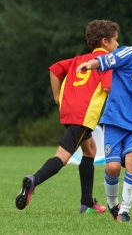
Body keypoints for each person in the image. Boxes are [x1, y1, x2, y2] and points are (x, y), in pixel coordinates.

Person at [15, 19, 120, 214]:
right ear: (105, 42)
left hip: (69, 111)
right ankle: (33, 180)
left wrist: (57, 97)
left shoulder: (78, 59)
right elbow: (108, 87)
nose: (118, 45)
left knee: (90, 150)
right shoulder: (106, 63)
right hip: (83, 115)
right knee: (62, 156)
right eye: (116, 41)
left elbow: (55, 69)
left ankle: (87, 203)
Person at [76, 10, 132, 222]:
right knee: (113, 167)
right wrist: (88, 65)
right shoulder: (130, 53)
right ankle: (112, 205)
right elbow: (106, 60)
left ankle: (125, 210)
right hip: (115, 120)